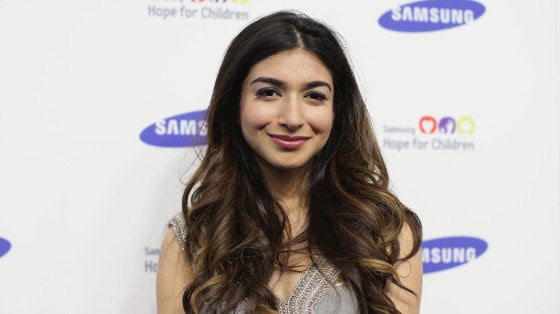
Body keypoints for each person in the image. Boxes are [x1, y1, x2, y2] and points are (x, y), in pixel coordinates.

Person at [157, 10, 423, 314]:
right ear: (235, 103)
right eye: (268, 92)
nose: (293, 118)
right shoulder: (192, 238)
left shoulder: (387, 232)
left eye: (314, 96)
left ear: (338, 110)